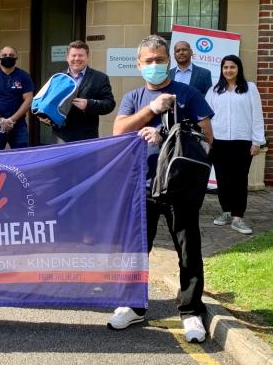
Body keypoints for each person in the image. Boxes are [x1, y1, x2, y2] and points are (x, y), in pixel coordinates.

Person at [111, 35, 214, 344]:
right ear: (139, 64)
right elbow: (119, 130)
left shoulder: (189, 93)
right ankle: (134, 305)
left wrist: (164, 134)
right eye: (149, 61)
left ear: (168, 60)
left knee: (187, 248)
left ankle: (191, 311)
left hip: (179, 185)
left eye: (160, 59)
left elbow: (207, 137)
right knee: (137, 248)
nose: (155, 65)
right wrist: (152, 108)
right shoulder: (134, 97)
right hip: (141, 183)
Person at [206, 55, 265, 235]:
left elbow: (257, 116)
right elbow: (206, 117)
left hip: (242, 142)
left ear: (238, 69)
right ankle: (227, 212)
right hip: (219, 142)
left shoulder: (250, 89)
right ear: (221, 70)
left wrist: (257, 141)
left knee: (239, 180)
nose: (228, 70)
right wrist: (207, 140)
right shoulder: (214, 90)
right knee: (223, 180)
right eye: (225, 67)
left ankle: (238, 218)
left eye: (232, 67)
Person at [38, 40, 115, 142]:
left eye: (80, 55)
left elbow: (109, 104)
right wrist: (44, 117)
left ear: (87, 57)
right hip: (60, 139)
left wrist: (89, 104)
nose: (77, 58)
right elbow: (46, 103)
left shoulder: (100, 78)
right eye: (73, 55)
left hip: (87, 138)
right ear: (67, 58)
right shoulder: (57, 78)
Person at [0, 46, 34, 150]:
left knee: (21, 158)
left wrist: (12, 120)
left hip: (18, 126)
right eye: (4, 55)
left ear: (16, 58)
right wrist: (0, 120)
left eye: (11, 55)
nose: (8, 57)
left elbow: (28, 100)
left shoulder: (24, 76)